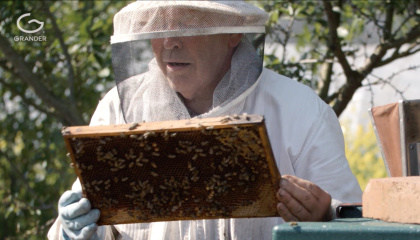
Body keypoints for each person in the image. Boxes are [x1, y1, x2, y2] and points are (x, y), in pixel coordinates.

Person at [48, 1, 362, 239]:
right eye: (159, 28)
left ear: (233, 31)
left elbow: (361, 226)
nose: (170, 42)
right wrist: (72, 229)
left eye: (186, 25)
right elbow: (93, 222)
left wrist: (326, 216)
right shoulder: (117, 108)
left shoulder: (302, 110)